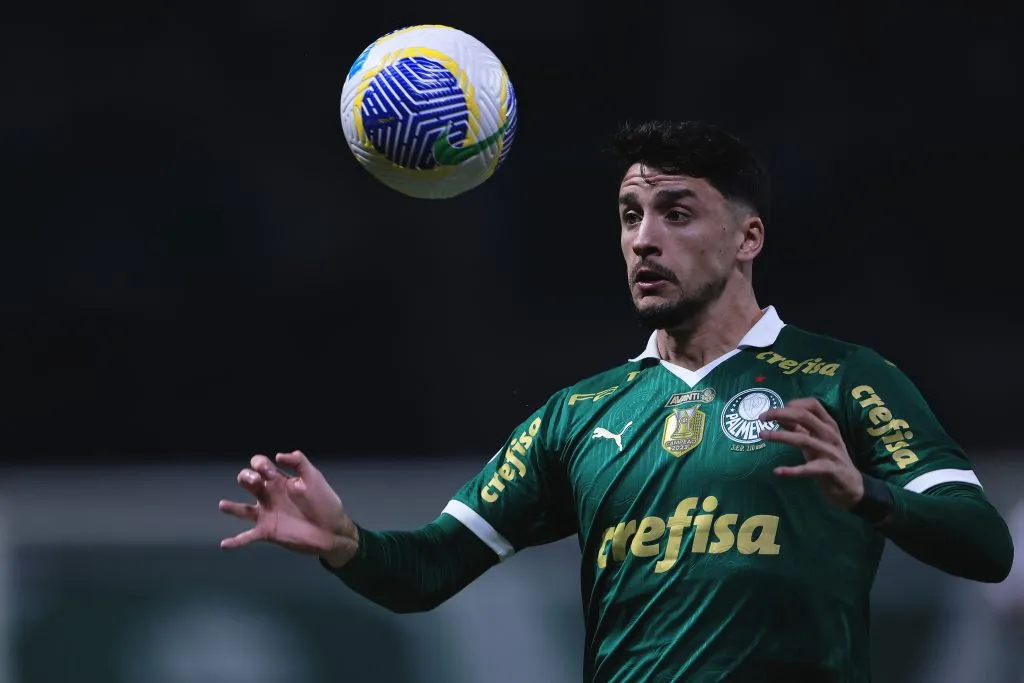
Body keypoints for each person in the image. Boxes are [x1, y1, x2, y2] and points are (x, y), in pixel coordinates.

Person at [218, 120, 1014, 682]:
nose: (643, 239)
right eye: (630, 216)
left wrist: (867, 494)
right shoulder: (579, 415)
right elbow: (429, 569)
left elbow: (985, 545)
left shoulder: (844, 377)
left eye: (676, 212)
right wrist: (345, 541)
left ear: (748, 238)